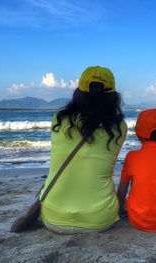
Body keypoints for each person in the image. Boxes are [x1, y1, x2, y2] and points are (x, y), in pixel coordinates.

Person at [39, 66, 127, 234]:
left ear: (79, 91)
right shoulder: (120, 127)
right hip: (100, 219)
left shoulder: (59, 118)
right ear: (113, 96)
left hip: (53, 218)